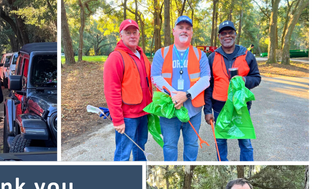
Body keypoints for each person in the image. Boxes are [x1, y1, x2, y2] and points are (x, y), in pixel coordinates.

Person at [151, 16, 210, 161]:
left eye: (188, 28)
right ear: (174, 31)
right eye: (181, 27)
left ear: (191, 32)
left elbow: (205, 79)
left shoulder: (200, 54)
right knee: (170, 145)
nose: (184, 31)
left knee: (191, 144)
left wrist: (187, 95)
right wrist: (174, 95)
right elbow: (156, 77)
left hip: (193, 111)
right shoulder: (162, 53)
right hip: (169, 111)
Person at [204, 21, 261, 162]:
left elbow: (256, 78)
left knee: (245, 143)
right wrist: (207, 110)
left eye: (230, 32)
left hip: (241, 108)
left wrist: (244, 80)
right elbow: (208, 86)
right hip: (219, 108)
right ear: (219, 36)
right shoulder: (212, 57)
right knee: (220, 142)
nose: (227, 35)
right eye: (224, 33)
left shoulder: (247, 55)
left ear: (235, 34)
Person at [103, 19, 153, 161]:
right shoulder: (116, 58)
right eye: (128, 32)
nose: (132, 35)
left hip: (143, 113)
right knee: (123, 152)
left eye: (134, 32)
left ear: (138, 34)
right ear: (121, 35)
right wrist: (117, 119)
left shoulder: (142, 55)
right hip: (127, 117)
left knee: (140, 147)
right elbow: (111, 90)